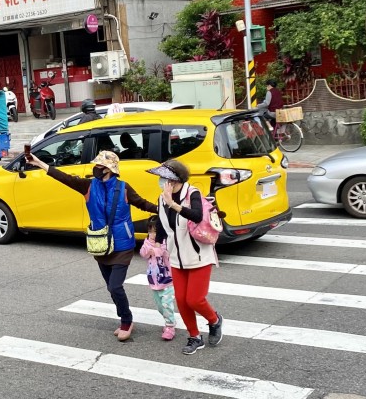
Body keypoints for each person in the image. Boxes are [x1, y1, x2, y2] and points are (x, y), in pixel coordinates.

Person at [24, 149, 156, 341]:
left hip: (122, 244)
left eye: (100, 166)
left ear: (109, 169)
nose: (96, 168)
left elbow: (143, 204)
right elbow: (63, 178)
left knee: (115, 286)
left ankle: (127, 320)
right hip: (100, 244)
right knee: (111, 287)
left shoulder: (123, 188)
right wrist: (39, 163)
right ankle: (124, 317)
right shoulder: (88, 186)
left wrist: (165, 209)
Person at [147, 159, 222, 355]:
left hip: (198, 256)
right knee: (181, 300)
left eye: (164, 178)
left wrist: (174, 204)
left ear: (174, 180)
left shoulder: (192, 193)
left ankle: (214, 320)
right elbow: (163, 225)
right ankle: (195, 337)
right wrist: (156, 245)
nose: (161, 181)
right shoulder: (162, 198)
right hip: (175, 258)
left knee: (195, 300)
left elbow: (197, 215)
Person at [139, 215, 177, 341]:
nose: (152, 234)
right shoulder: (147, 241)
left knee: (167, 305)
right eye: (150, 231)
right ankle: (168, 320)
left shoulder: (166, 241)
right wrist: (148, 248)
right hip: (154, 280)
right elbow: (143, 253)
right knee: (160, 306)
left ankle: (170, 326)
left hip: (167, 280)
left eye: (155, 231)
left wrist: (155, 249)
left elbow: (164, 252)